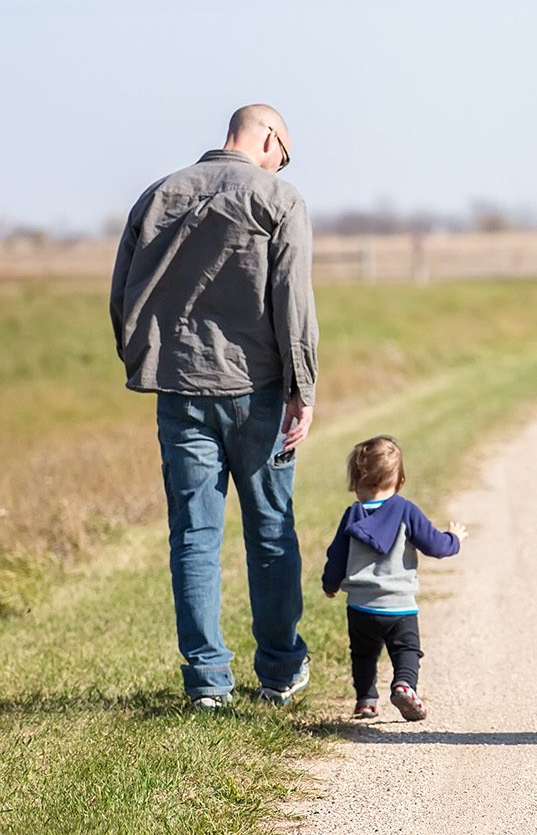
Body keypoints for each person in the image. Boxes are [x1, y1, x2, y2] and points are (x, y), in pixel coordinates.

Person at [109, 104, 317, 708]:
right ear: (269, 138)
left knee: (194, 536)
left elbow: (123, 291)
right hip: (258, 390)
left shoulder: (159, 195)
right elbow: (293, 302)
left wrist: (145, 360)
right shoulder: (279, 198)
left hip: (179, 391)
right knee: (271, 530)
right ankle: (279, 672)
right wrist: (302, 388)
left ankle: (207, 682)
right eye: (286, 151)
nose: (283, 163)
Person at [320, 436, 464, 721]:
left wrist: (330, 585)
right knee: (407, 650)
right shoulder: (405, 511)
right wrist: (454, 538)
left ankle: (366, 700)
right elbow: (435, 545)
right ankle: (404, 685)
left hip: (360, 607)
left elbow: (336, 556)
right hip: (399, 606)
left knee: (362, 655)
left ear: (355, 481)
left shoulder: (351, 516)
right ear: (399, 481)